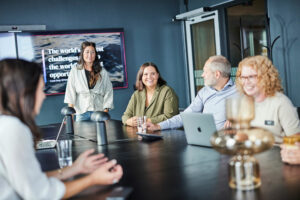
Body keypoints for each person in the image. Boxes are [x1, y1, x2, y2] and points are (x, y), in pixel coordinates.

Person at [0, 59, 123, 199]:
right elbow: (42, 195)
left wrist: (74, 169)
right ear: (25, 93)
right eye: (40, 90)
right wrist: (93, 179)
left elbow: (30, 180)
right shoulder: (13, 129)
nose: (43, 96)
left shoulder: (6, 124)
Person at [147, 55, 237, 131]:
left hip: (227, 144)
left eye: (205, 72)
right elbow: (185, 116)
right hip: (205, 140)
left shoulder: (239, 91)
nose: (202, 75)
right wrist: (159, 126)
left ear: (217, 74)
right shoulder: (204, 92)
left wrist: (238, 122)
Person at [235, 55, 300, 143]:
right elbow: (241, 135)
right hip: (250, 153)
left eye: (251, 77)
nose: (246, 82)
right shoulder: (244, 102)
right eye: (243, 77)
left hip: (275, 153)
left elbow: (296, 142)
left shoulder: (282, 103)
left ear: (265, 77)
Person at [64, 41, 113, 121]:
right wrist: (71, 116)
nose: (90, 55)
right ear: (82, 53)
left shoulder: (102, 72)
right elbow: (70, 92)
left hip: (99, 113)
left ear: (95, 54)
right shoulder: (75, 71)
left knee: (100, 134)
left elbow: (108, 91)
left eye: (92, 52)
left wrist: (106, 112)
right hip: (81, 113)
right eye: (87, 52)